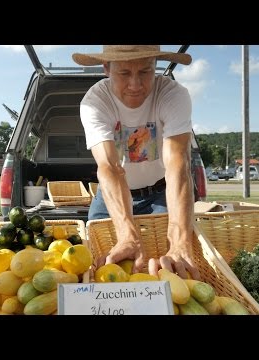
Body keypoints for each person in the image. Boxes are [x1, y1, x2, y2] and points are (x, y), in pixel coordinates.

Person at [72, 45, 200, 280]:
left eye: (145, 71)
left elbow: (177, 165)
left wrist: (181, 240)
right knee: (103, 263)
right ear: (106, 68)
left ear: (155, 66)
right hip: (111, 194)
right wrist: (126, 234)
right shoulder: (95, 101)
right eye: (124, 73)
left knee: (169, 262)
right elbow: (109, 167)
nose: (135, 85)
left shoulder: (173, 94)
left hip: (161, 193)